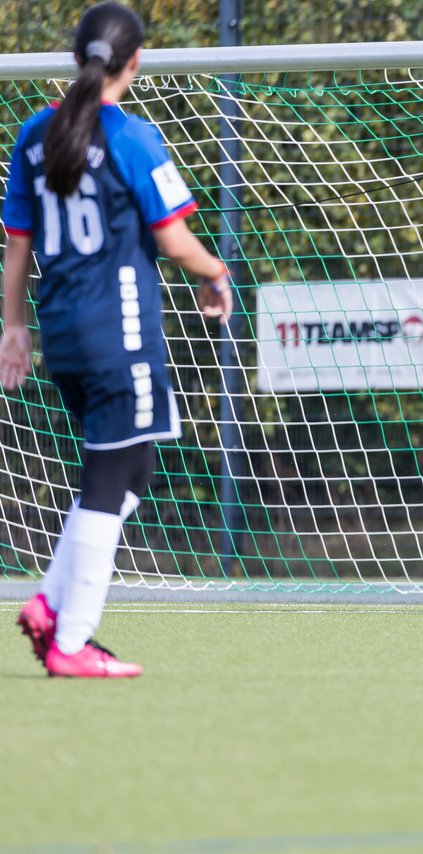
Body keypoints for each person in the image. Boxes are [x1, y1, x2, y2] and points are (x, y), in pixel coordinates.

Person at [1, 2, 232, 678]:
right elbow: (173, 237)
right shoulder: (131, 136)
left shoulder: (34, 135)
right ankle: (71, 642)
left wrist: (13, 326)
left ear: (77, 57)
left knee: (130, 473)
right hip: (119, 336)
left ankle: (48, 604)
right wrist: (216, 271)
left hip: (64, 334)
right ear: (135, 63)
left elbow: (17, 245)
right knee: (109, 481)